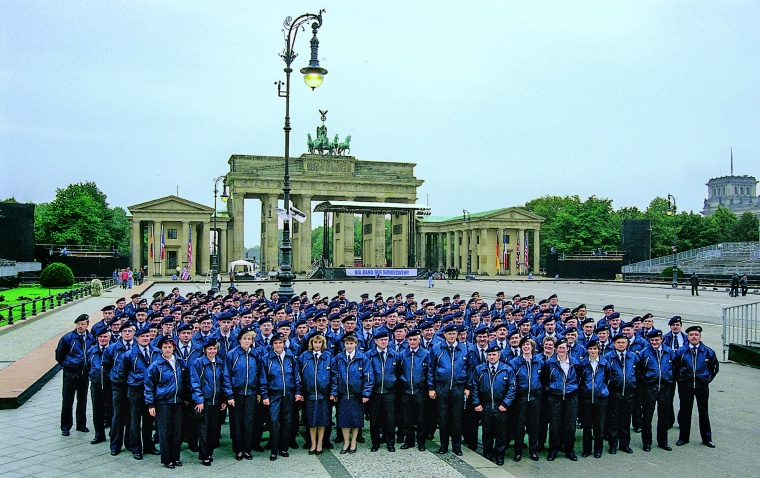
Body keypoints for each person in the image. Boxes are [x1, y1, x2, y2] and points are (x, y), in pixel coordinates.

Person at [470, 345, 517, 465]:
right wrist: (476, 403)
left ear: (499, 355)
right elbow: (474, 387)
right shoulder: (480, 369)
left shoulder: (507, 370)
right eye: (489, 355)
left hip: (501, 406)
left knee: (501, 432)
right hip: (485, 406)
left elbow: (512, 388)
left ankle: (499, 454)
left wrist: (505, 404)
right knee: (487, 431)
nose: (491, 357)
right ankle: (488, 453)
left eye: (494, 354)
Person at [259, 332, 303, 461]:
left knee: (286, 421)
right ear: (272, 345)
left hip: (288, 394)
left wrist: (298, 392)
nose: (278, 345)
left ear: (284, 344)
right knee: (273, 421)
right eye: (276, 343)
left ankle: (283, 448)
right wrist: (265, 395)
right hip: (273, 395)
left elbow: (296, 376)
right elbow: (263, 378)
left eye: (280, 343)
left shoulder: (290, 357)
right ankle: (274, 449)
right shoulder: (266, 358)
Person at [427, 323, 469, 456]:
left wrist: (468, 387)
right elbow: (431, 369)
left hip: (458, 387)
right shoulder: (437, 348)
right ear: (444, 334)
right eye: (449, 333)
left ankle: (457, 446)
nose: (452, 336)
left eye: (454, 334)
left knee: (457, 418)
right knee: (443, 418)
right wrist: (431, 388)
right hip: (442, 387)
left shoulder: (464, 348)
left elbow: (469, 369)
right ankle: (443, 446)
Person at [674, 325, 719, 448]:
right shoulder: (681, 352)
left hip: (701, 386)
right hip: (686, 386)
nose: (694, 337)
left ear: (700, 337)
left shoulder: (708, 352)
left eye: (696, 335)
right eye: (691, 335)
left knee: (703, 412)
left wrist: (706, 379)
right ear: (687, 337)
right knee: (685, 412)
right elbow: (675, 368)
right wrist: (681, 380)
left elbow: (714, 368)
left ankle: (707, 438)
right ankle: (683, 437)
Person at [190, 338, 233, 466]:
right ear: (205, 350)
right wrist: (199, 400)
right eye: (210, 349)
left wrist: (224, 398)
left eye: (214, 349)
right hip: (204, 401)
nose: (212, 351)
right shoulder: (198, 363)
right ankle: (204, 455)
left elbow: (224, 380)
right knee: (203, 428)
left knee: (213, 429)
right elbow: (195, 382)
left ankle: (209, 452)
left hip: (217, 401)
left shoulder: (220, 363)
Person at [145, 335, 185, 469]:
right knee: (164, 431)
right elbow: (149, 386)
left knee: (177, 431)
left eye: (170, 347)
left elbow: (185, 380)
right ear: (161, 349)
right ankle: (167, 459)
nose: (167, 350)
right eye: (165, 347)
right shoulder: (156, 366)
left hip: (177, 401)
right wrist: (151, 404)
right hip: (163, 402)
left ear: (174, 348)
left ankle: (176, 457)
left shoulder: (179, 362)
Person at [330, 332, 372, 454]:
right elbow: (334, 376)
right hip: (343, 394)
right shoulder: (338, 358)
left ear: (356, 344)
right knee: (343, 419)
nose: (349, 346)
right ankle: (346, 442)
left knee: (356, 419)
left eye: (351, 343)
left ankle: (353, 441)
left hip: (357, 395)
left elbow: (368, 377)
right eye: (347, 344)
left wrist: (366, 393)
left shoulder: (362, 358)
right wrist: (334, 392)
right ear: (344, 344)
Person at [225, 327, 261, 461]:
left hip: (251, 393)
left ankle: (247, 449)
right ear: (240, 339)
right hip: (236, 393)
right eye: (245, 338)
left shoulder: (255, 354)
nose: (247, 341)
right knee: (236, 422)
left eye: (249, 339)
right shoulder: (232, 355)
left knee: (249, 421)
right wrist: (229, 394)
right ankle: (238, 449)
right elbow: (226, 375)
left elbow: (260, 374)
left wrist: (259, 391)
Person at [55, 314, 94, 436]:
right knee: (67, 401)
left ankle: (81, 424)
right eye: (78, 324)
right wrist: (67, 364)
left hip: (84, 374)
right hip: (70, 374)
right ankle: (65, 426)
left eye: (83, 324)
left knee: (82, 400)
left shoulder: (91, 337)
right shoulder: (68, 338)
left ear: (87, 324)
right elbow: (59, 354)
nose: (80, 326)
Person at [543, 338, 580, 461]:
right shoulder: (550, 363)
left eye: (564, 347)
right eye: (559, 348)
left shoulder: (575, 362)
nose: (562, 350)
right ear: (556, 349)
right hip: (555, 397)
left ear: (568, 349)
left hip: (571, 397)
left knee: (570, 425)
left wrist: (573, 389)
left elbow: (579, 377)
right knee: (555, 425)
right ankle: (553, 450)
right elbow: (545, 379)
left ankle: (569, 449)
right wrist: (552, 390)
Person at [638, 329, 675, 451]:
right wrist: (646, 379)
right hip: (649, 388)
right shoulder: (644, 353)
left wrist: (669, 378)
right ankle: (647, 442)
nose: (654, 342)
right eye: (652, 340)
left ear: (662, 340)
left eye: (657, 340)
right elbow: (639, 370)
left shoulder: (669, 352)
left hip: (665, 388)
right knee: (647, 416)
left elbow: (674, 367)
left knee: (663, 416)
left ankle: (663, 441)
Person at [298, 332, 333, 455]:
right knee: (311, 421)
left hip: (324, 395)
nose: (317, 345)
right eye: (315, 342)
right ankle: (312, 443)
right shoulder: (304, 357)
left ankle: (320, 443)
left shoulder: (328, 356)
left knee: (322, 420)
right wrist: (300, 392)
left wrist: (332, 392)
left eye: (319, 342)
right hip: (309, 394)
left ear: (323, 344)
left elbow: (334, 376)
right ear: (311, 343)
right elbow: (299, 376)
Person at [510, 337, 543, 462]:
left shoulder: (539, 362)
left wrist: (538, 391)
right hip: (521, 398)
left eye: (528, 344)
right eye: (524, 345)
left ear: (532, 347)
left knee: (534, 426)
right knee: (519, 426)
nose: (526, 347)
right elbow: (513, 381)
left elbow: (542, 379)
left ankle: (533, 450)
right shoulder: (515, 362)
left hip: (535, 398)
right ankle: (518, 451)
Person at [606, 334, 638, 455]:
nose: (621, 345)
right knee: (613, 420)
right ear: (614, 344)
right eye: (618, 342)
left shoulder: (633, 357)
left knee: (625, 420)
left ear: (627, 344)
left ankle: (624, 444)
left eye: (623, 342)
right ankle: (613, 445)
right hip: (614, 393)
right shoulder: (609, 357)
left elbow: (638, 372)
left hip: (629, 393)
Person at [367, 330, 399, 453]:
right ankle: (375, 443)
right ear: (375, 341)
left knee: (390, 419)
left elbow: (398, 372)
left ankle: (390, 443)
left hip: (389, 392)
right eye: (381, 340)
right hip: (375, 392)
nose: (384, 342)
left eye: (386, 339)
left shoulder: (394, 355)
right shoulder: (369, 355)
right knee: (374, 419)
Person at [398, 328, 429, 452]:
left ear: (419, 340)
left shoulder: (426, 354)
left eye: (414, 339)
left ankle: (421, 442)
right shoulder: (402, 354)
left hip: (420, 390)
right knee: (407, 417)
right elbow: (399, 371)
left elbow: (428, 372)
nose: (412, 342)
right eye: (410, 340)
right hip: (406, 390)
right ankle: (409, 440)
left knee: (421, 418)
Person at [578, 340, 608, 459]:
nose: (593, 351)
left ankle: (598, 449)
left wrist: (602, 390)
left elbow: (608, 379)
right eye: (590, 349)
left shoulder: (604, 363)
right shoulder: (583, 364)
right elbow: (581, 379)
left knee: (599, 425)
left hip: (600, 398)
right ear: (587, 350)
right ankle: (586, 449)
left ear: (598, 350)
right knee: (586, 425)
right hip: (586, 398)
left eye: (595, 349)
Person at [87, 327, 112, 444]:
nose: (103, 339)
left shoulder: (113, 349)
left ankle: (114, 433)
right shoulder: (92, 350)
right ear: (97, 338)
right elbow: (87, 366)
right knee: (97, 411)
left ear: (109, 337)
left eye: (105, 336)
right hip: (96, 385)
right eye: (101, 337)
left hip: (111, 385)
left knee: (113, 410)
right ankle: (99, 434)